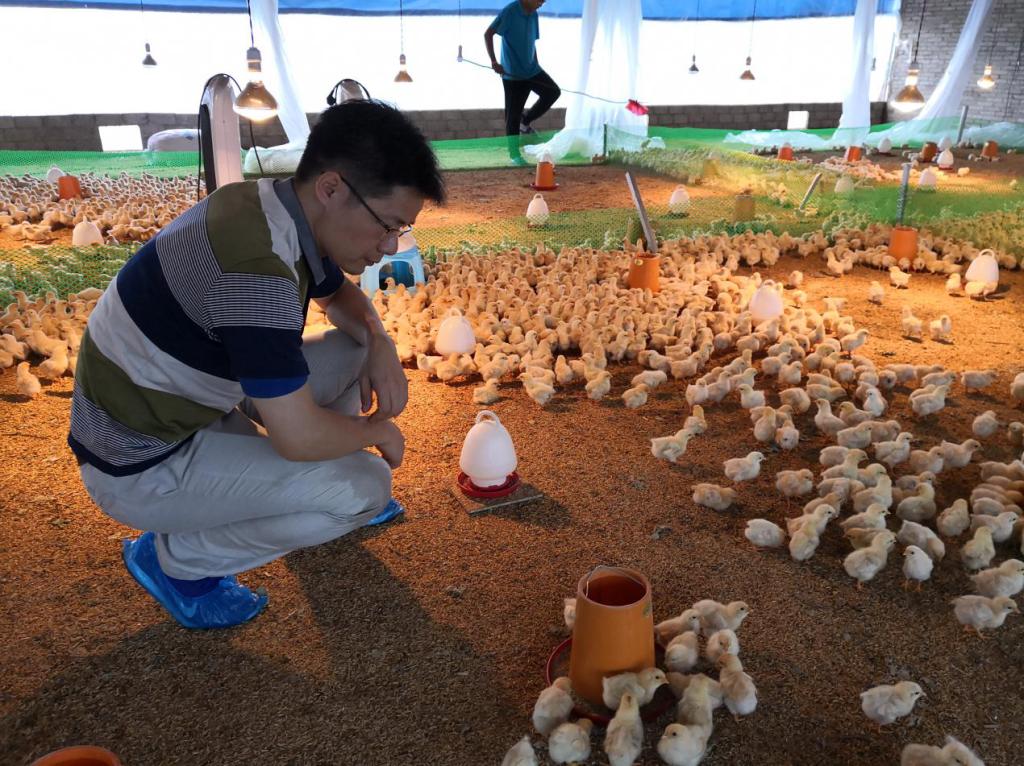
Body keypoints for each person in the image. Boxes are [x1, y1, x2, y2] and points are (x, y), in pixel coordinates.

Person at [69, 100, 445, 629]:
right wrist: (375, 432)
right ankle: (178, 562)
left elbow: (341, 299)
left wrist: (379, 340)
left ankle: (307, 487)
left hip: (178, 403)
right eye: (388, 226)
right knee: (366, 487)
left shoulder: (268, 207)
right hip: (140, 462)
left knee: (356, 346)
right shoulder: (258, 272)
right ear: (332, 188)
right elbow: (298, 438)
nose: (388, 248)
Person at [484, 0, 561, 164]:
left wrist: (537, 64)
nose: (541, 4)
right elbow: (488, 34)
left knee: (553, 92)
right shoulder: (510, 11)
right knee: (513, 115)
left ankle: (525, 121)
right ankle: (514, 156)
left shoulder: (534, 15)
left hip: (532, 70)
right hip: (513, 74)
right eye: (540, 1)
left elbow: (532, 43)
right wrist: (494, 61)